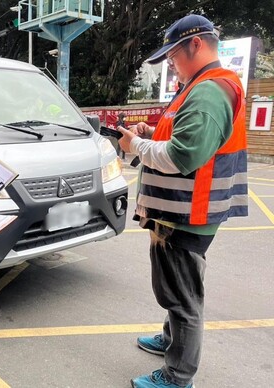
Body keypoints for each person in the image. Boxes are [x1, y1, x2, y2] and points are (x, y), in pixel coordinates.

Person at [117, 14, 248, 388]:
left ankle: (177, 376)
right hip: (182, 211)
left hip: (188, 215)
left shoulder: (209, 90)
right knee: (178, 288)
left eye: (173, 55)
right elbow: (178, 135)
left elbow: (182, 156)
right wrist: (148, 132)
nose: (171, 64)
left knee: (182, 297)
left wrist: (135, 145)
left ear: (196, 44)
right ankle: (172, 339)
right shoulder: (198, 85)